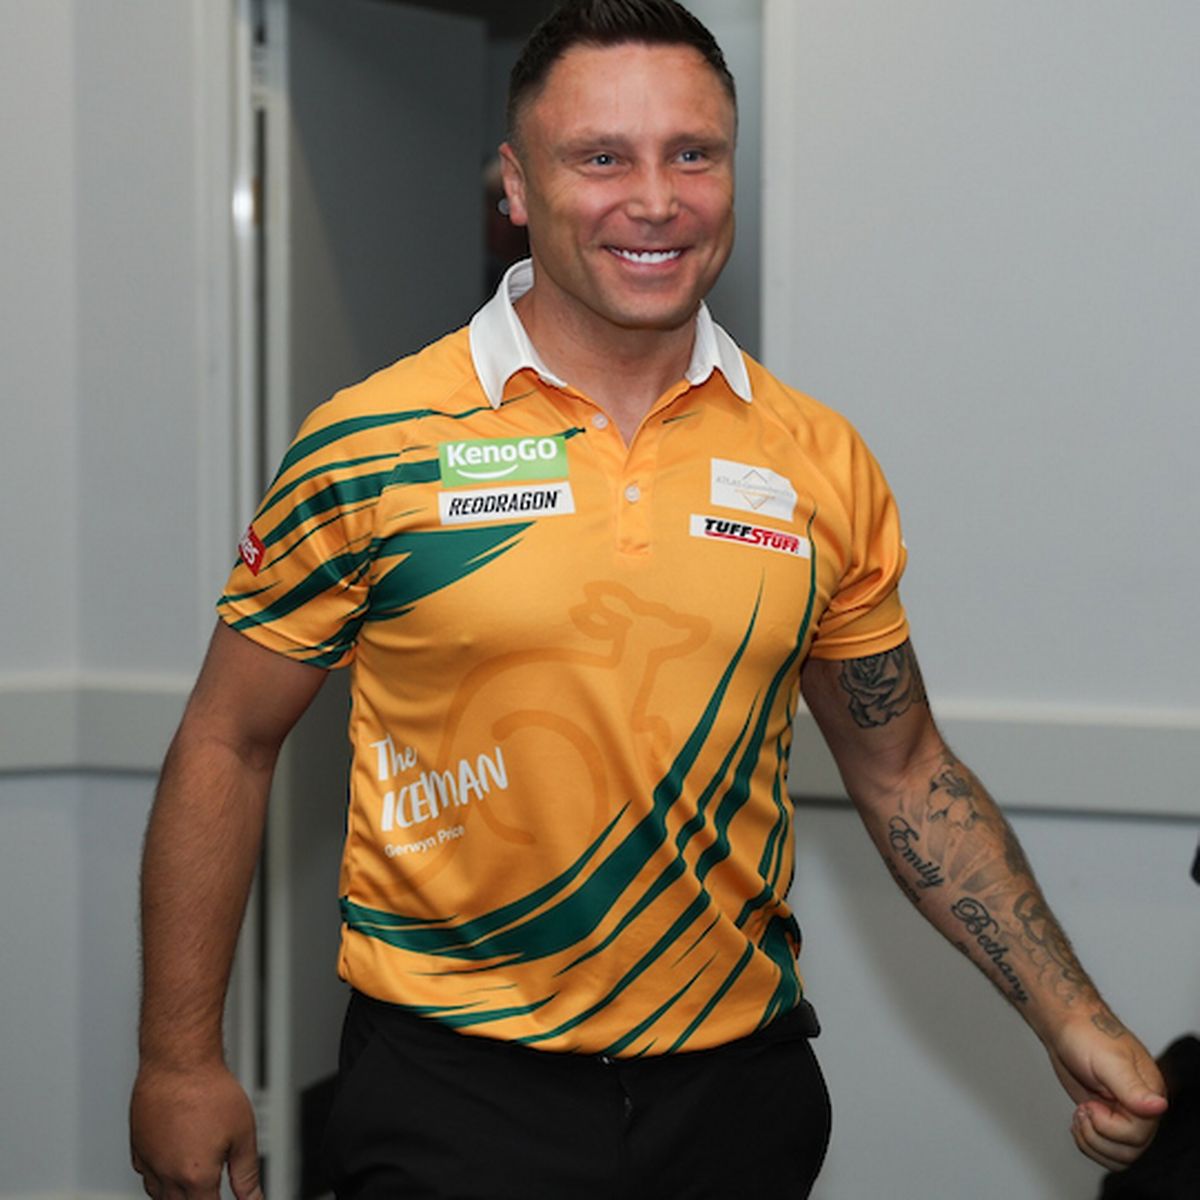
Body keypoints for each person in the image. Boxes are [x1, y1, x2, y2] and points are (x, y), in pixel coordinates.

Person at [129, 2, 1167, 1197]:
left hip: (737, 1100)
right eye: (601, 157)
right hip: (452, 1094)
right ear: (517, 185)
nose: (657, 200)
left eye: (693, 153)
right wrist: (178, 1059)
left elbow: (905, 772)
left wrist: (1071, 1014)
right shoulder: (373, 444)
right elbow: (228, 740)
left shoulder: (816, 462)